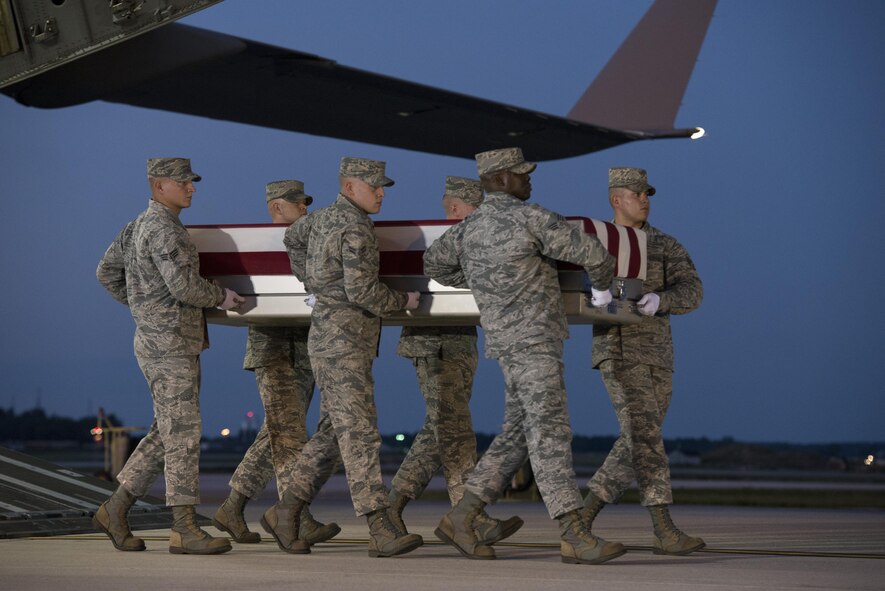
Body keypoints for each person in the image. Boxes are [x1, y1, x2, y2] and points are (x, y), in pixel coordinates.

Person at [423, 147, 625, 565]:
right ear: (498, 179)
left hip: (505, 342)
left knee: (517, 432)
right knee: (550, 430)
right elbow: (593, 255)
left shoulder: (467, 230)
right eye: (520, 174)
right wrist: (604, 292)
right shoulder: (531, 218)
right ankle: (573, 532)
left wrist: (483, 280)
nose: (529, 179)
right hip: (535, 340)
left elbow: (433, 264)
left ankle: (462, 517)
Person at [267, 157, 423, 557]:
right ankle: (378, 525)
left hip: (331, 339)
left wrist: (313, 280)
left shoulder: (319, 219)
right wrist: (403, 301)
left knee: (333, 436)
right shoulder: (354, 226)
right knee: (360, 433)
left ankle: (285, 512)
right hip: (344, 344)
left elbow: (291, 239)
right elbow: (363, 292)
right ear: (351, 187)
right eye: (375, 186)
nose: (382, 193)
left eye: (383, 186)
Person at [94, 157, 245, 555]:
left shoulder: (136, 226)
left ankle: (115, 508)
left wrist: (143, 308)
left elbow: (106, 272)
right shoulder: (164, 229)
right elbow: (185, 288)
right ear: (159, 186)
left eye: (192, 182)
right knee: (183, 434)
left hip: (163, 340)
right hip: (170, 344)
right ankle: (184, 528)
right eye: (184, 182)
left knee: (167, 430)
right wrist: (221, 296)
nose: (192, 188)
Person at [389, 176, 523, 546]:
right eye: (474, 209)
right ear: (454, 208)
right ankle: (467, 518)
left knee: (440, 430)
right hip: (434, 343)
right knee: (455, 430)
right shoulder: (439, 242)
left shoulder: (473, 240)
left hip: (461, 341)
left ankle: (393, 507)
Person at [582, 167, 705, 555]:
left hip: (656, 353)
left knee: (638, 438)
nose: (645, 200)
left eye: (648, 193)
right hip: (617, 349)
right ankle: (663, 528)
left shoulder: (665, 245)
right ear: (616, 200)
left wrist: (661, 300)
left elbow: (693, 290)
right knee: (645, 436)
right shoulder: (595, 242)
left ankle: (581, 519)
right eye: (637, 194)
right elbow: (572, 285)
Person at [212, 180, 340, 549]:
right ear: (277, 207)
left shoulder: (308, 242)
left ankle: (232, 507)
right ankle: (296, 518)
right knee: (289, 437)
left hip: (302, 347)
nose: (305, 210)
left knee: (276, 433)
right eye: (299, 204)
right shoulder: (261, 247)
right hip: (274, 349)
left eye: (306, 204)